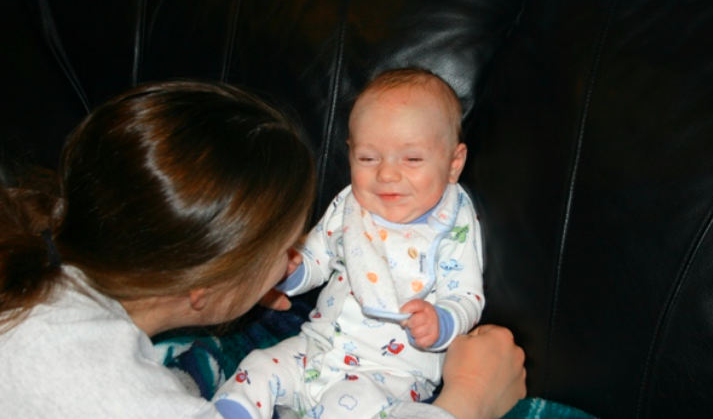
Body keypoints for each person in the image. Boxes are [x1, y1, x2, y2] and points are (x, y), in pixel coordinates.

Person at [0, 79, 525, 419]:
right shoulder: (107, 393)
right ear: (205, 287)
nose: (295, 257)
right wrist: (468, 400)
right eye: (286, 245)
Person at [218, 68, 492, 419]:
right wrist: (289, 269)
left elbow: (466, 296)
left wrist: (442, 322)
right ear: (350, 153)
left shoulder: (453, 224)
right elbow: (315, 258)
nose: (386, 174)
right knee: (257, 368)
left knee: (346, 406)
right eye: (368, 158)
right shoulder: (350, 204)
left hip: (387, 374)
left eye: (412, 159)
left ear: (453, 164)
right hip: (316, 347)